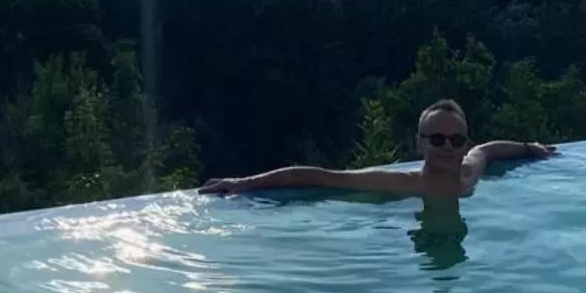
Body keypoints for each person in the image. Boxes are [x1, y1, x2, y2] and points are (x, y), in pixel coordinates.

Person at [197, 99, 554, 199]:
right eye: (437, 139)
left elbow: (489, 150)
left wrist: (528, 147)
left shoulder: (468, 174)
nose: (447, 146)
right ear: (420, 143)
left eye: (456, 140)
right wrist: (243, 183)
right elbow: (317, 176)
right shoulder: (401, 184)